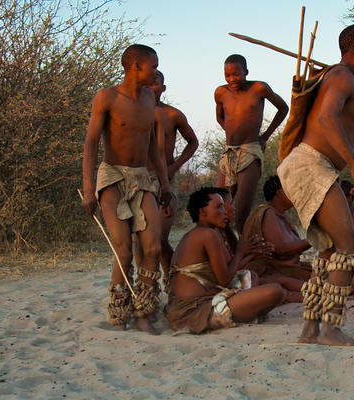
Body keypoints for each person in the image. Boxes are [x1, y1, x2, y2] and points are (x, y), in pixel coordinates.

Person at [277, 24, 354, 346]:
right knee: (348, 248)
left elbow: (344, 112)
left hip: (307, 166)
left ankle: (310, 329)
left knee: (330, 251)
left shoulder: (344, 79)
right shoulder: (343, 76)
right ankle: (330, 329)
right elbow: (327, 118)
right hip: (311, 165)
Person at [81, 44, 171, 335]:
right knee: (123, 248)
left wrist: (165, 182)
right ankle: (119, 311)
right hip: (112, 177)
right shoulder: (107, 97)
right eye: (153, 66)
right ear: (135, 66)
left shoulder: (149, 99)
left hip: (142, 178)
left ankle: (145, 310)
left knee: (153, 247)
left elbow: (152, 147)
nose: (156, 71)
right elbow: (91, 143)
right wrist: (87, 187)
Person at [165, 188, 286, 334]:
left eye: (223, 206)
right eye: (218, 207)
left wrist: (251, 254)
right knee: (276, 291)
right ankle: (245, 313)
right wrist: (240, 253)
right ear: (202, 212)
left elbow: (231, 269)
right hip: (192, 311)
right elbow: (224, 280)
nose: (224, 211)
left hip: (191, 306)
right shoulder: (207, 235)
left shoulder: (208, 232)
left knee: (251, 276)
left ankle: (246, 311)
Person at [133, 70, 199, 293]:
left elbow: (193, 143)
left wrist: (173, 167)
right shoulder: (134, 113)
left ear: (163, 88)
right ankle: (145, 288)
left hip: (165, 180)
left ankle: (174, 283)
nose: (150, 88)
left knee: (158, 237)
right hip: (139, 178)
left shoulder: (172, 115)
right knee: (138, 238)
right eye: (147, 84)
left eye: (155, 84)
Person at [214, 54, 289, 235]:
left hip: (250, 151)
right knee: (218, 207)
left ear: (246, 72)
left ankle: (247, 254)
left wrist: (265, 137)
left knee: (241, 212)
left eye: (236, 74)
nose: (232, 79)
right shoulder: (221, 93)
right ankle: (230, 254)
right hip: (229, 153)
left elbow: (283, 108)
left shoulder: (259, 88)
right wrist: (231, 134)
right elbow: (219, 116)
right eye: (228, 75)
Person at [241, 175, 312, 302]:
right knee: (336, 284)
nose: (296, 192)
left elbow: (293, 247)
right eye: (291, 189)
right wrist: (315, 239)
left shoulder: (283, 214)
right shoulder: (268, 213)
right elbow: (281, 250)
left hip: (293, 269)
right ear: (279, 192)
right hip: (279, 271)